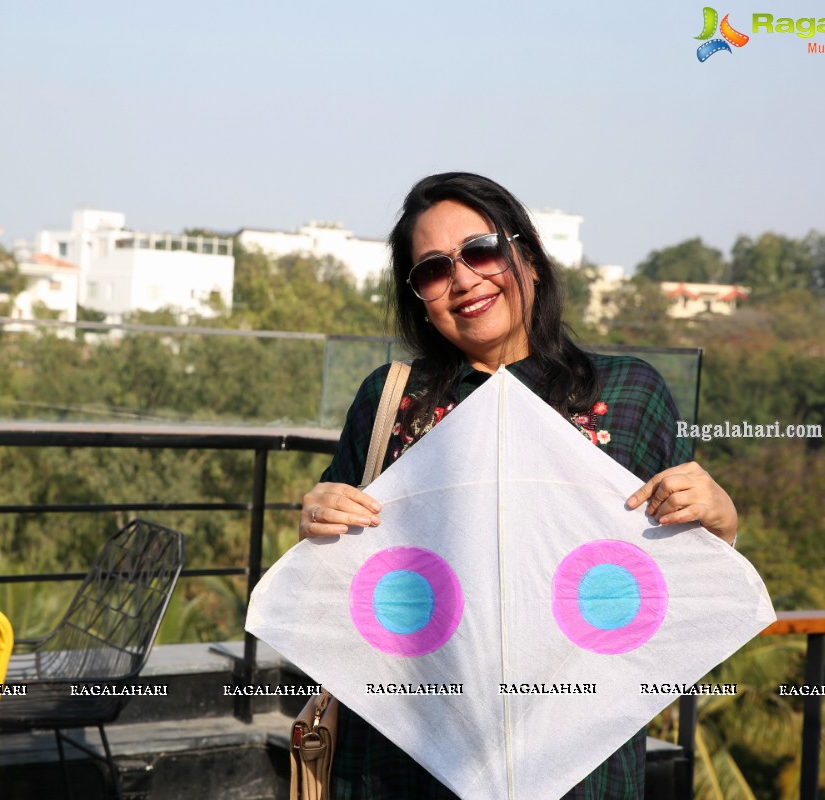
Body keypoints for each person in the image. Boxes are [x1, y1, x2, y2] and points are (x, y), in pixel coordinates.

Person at [299, 172, 737, 799]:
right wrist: (314, 514)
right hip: (403, 757)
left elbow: (680, 588)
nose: (465, 279)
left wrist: (721, 520)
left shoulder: (628, 394)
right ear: (419, 297)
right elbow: (336, 579)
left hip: (579, 761)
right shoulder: (391, 399)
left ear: (527, 258)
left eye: (482, 251)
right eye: (432, 269)